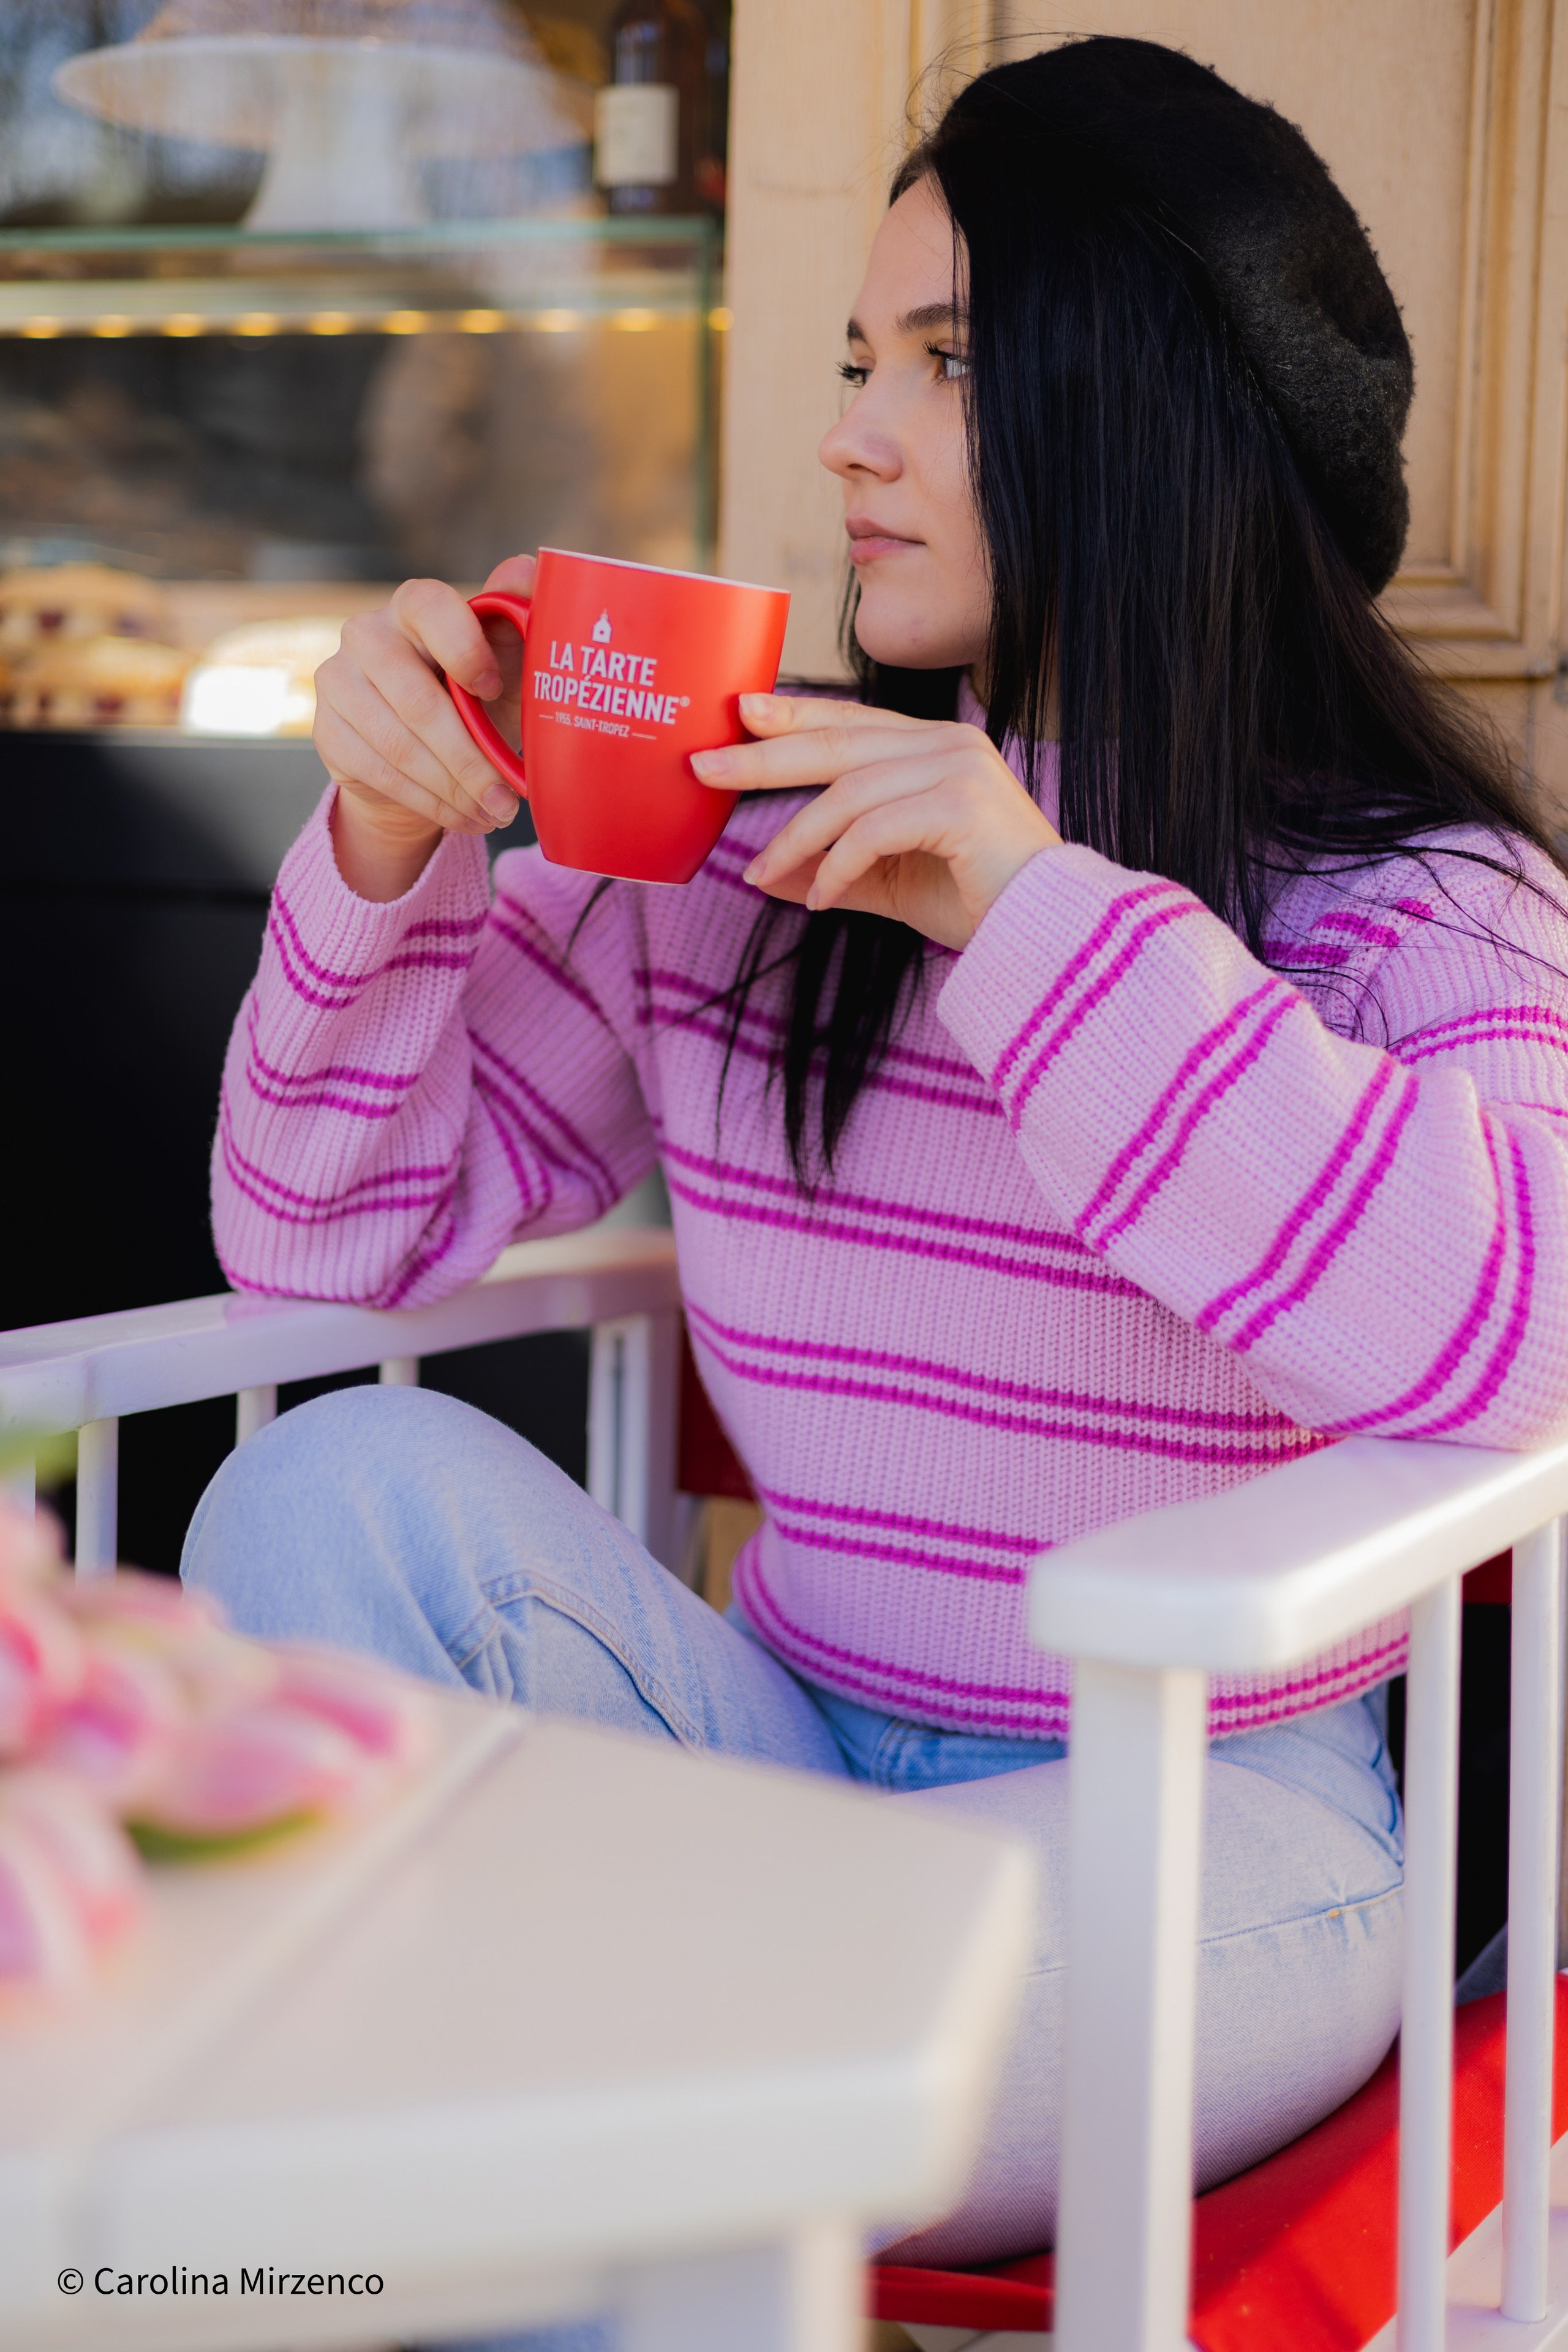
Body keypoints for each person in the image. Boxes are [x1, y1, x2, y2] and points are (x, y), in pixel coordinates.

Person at [184, 34, 1568, 2343]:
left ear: (1154, 412)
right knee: (328, 1488)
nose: (844, 435)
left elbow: (1511, 1341)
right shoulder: (732, 855)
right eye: (855, 358)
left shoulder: (1412, 901)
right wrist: (391, 842)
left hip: (1219, 1841)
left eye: (943, 362)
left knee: (593, 2048)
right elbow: (320, 1250)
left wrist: (1024, 910)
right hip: (782, 1772)